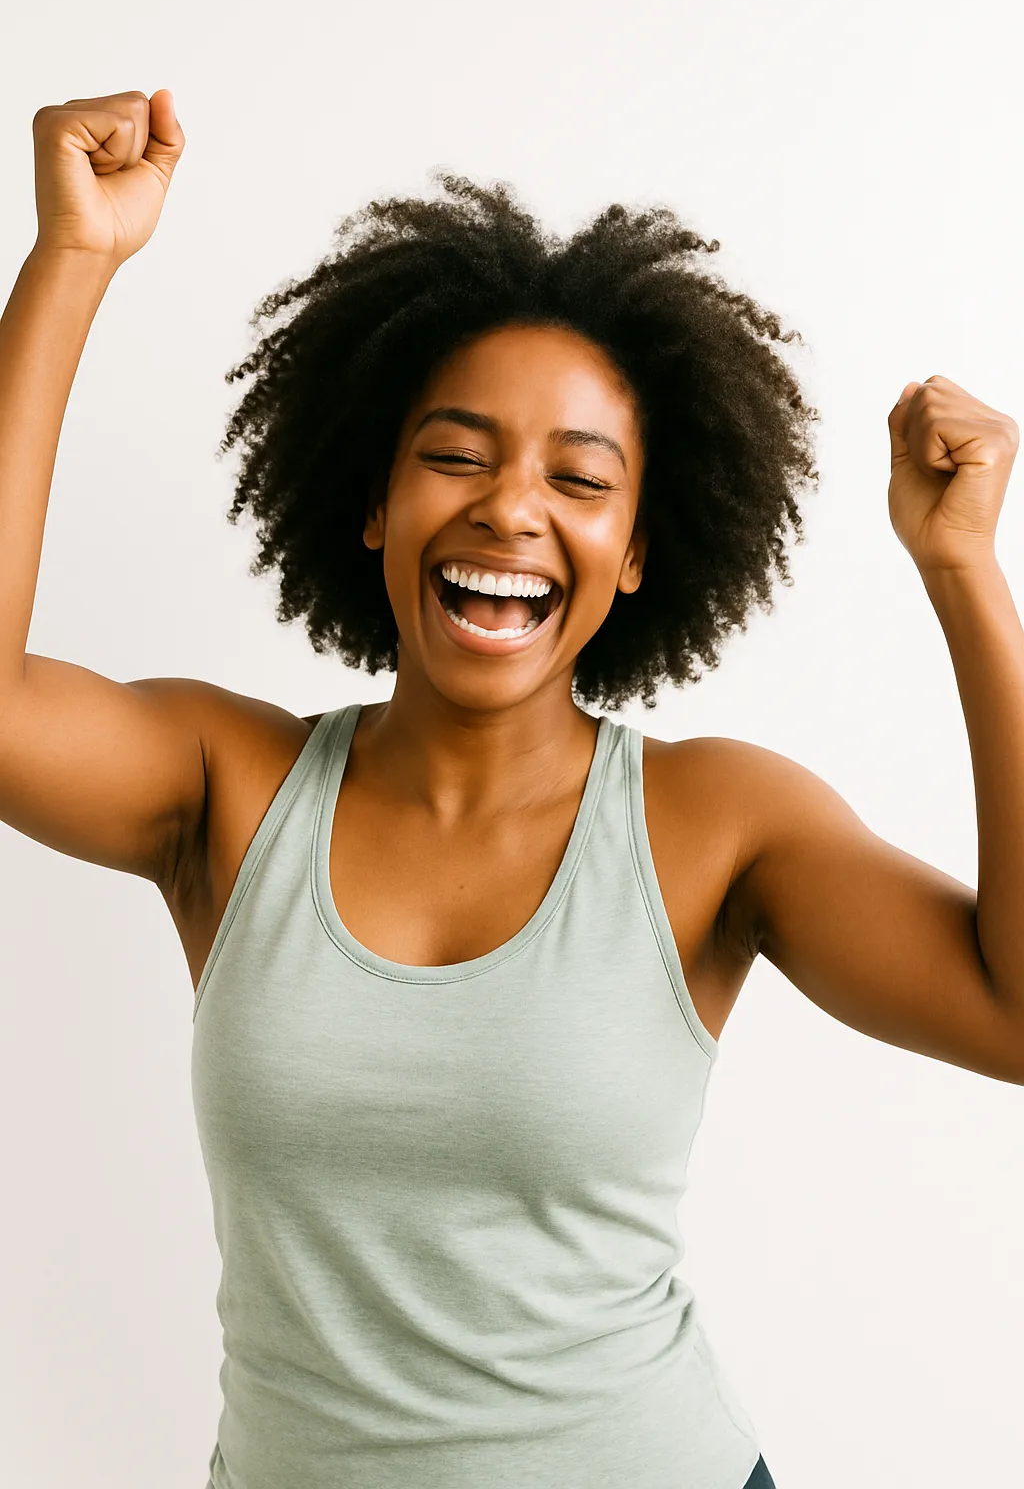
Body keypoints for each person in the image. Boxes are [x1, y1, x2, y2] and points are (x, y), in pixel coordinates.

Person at [2, 88, 1022, 1489]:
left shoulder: (714, 823)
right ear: (373, 505)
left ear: (643, 549)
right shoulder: (223, 788)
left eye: (579, 479)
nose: (510, 509)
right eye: (456, 456)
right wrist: (72, 259)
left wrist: (965, 571)